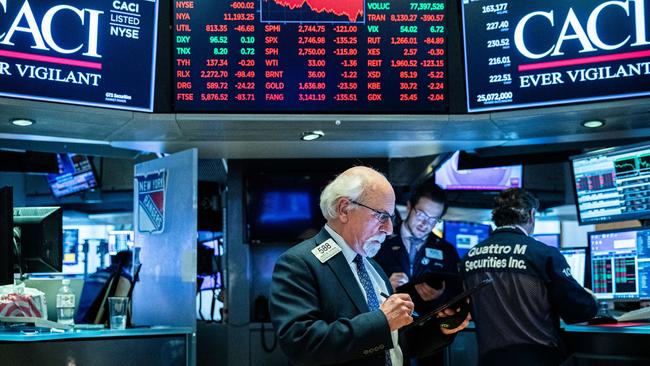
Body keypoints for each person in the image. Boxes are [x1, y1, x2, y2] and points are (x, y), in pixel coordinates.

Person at [269, 166, 470, 366]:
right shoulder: (300, 262)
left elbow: (397, 344)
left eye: (391, 218)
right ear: (344, 209)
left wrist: (442, 327)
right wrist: (381, 321)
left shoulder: (373, 268)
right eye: (381, 216)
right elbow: (301, 344)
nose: (389, 228)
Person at [461, 188, 598, 366]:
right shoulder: (543, 254)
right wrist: (592, 300)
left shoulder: (469, 257)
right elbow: (579, 311)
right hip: (539, 359)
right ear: (532, 215)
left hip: (489, 360)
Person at [373, 182, 461, 366]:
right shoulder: (379, 241)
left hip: (428, 341)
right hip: (388, 335)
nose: (425, 223)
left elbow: (455, 298)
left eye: (433, 219)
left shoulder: (446, 251)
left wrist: (440, 296)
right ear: (409, 207)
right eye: (421, 214)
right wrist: (386, 286)